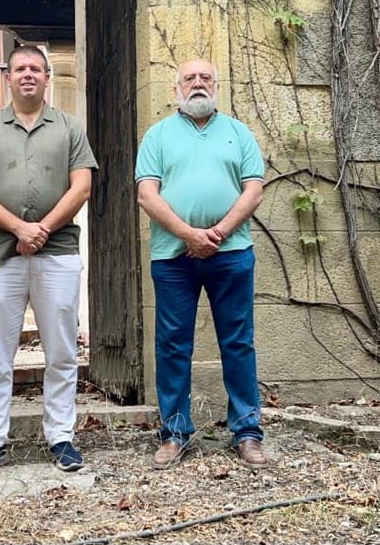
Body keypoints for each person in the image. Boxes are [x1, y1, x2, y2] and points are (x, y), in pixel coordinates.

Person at [0, 46, 97, 477]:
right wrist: (20, 229)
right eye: (20, 68)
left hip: (57, 253)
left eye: (36, 69)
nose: (28, 75)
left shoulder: (70, 128)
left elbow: (82, 187)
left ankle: (61, 437)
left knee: (61, 350)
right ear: (8, 76)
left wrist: (42, 231)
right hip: (1, 256)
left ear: (46, 78)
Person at [135, 58, 268, 470]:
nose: (197, 84)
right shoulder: (157, 136)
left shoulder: (238, 132)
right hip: (173, 258)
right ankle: (174, 432)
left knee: (238, 342)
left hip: (231, 254)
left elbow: (254, 190)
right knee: (173, 344)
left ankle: (247, 432)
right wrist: (189, 235)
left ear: (216, 86)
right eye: (189, 78)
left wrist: (218, 233)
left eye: (205, 78)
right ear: (176, 88)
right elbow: (147, 195)